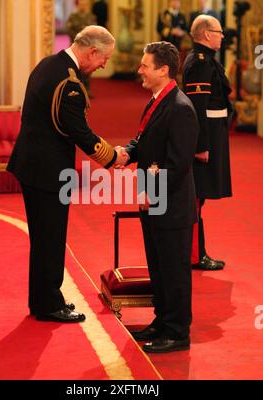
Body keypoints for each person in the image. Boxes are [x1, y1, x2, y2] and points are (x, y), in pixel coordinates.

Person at [7, 26, 128, 323]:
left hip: (32, 164)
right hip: (48, 171)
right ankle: (49, 304)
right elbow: (79, 132)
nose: (103, 65)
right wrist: (113, 157)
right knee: (50, 237)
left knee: (42, 237)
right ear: (91, 51)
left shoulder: (50, 63)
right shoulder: (69, 82)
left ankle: (42, 300)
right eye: (104, 58)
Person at [118, 41, 199, 353]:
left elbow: (178, 164)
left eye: (145, 65)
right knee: (159, 267)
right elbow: (144, 137)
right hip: (153, 200)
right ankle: (162, 321)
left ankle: (178, 332)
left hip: (170, 204)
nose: (140, 69)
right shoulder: (157, 100)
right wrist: (128, 151)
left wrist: (153, 193)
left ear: (163, 70)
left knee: (174, 270)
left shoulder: (179, 108)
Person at [182, 15, 232, 270]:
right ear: (205, 34)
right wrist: (201, 146)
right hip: (207, 134)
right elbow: (197, 108)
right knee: (196, 197)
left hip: (214, 131)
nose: (223, 36)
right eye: (218, 31)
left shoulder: (207, 59)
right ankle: (193, 255)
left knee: (199, 197)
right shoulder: (200, 62)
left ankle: (197, 252)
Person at [66, 0, 97, 96]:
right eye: (81, 4)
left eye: (84, 4)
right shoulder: (73, 17)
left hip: (88, 46)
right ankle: (76, 90)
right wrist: (78, 39)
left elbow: (95, 31)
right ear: (78, 5)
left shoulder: (91, 17)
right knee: (75, 68)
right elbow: (68, 29)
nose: (83, 6)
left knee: (88, 69)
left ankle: (86, 90)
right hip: (76, 46)